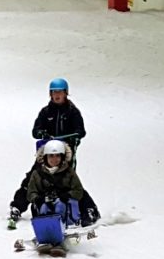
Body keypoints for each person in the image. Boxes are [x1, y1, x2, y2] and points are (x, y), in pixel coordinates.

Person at [8, 78, 99, 226]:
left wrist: (75, 135)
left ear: (66, 93)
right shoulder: (46, 112)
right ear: (50, 94)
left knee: (69, 180)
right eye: (54, 92)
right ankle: (18, 206)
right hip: (46, 152)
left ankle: (88, 209)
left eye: (60, 92)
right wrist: (41, 133)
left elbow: (80, 130)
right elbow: (35, 130)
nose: (57, 95)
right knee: (34, 177)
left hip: (64, 153)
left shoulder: (72, 112)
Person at [27, 140, 86, 227]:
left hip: (64, 206)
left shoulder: (69, 172)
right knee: (44, 208)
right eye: (51, 156)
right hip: (45, 201)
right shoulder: (37, 173)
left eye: (57, 156)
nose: (54, 159)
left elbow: (78, 190)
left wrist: (67, 195)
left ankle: (62, 225)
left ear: (62, 157)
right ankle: (45, 227)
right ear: (45, 157)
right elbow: (31, 192)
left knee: (60, 205)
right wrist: (37, 198)